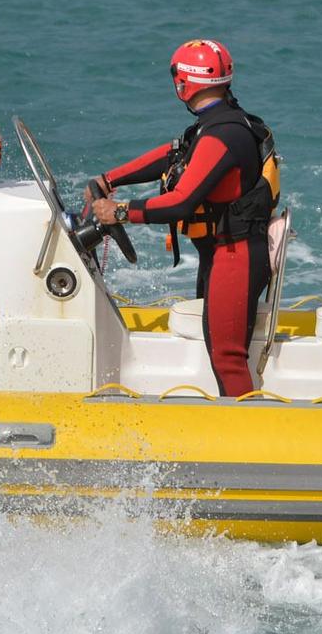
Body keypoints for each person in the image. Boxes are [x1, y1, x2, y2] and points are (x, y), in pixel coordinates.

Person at [84, 39, 279, 398]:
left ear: (183, 84)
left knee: (228, 356)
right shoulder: (215, 125)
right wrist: (110, 179)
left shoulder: (224, 134)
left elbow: (180, 204)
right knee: (219, 348)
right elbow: (172, 155)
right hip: (222, 254)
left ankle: (243, 437)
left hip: (235, 256)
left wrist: (121, 211)